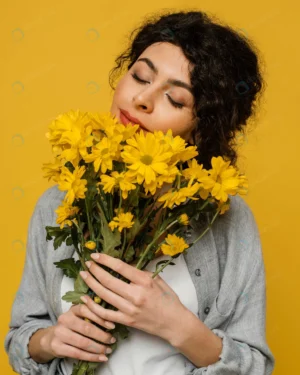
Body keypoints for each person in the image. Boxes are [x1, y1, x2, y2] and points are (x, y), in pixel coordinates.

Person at [4, 9, 275, 375]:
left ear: (201, 131)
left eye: (176, 100)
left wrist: (175, 325)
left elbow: (255, 366)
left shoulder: (228, 218)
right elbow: (22, 336)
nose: (142, 99)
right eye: (140, 76)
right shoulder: (58, 201)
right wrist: (49, 342)